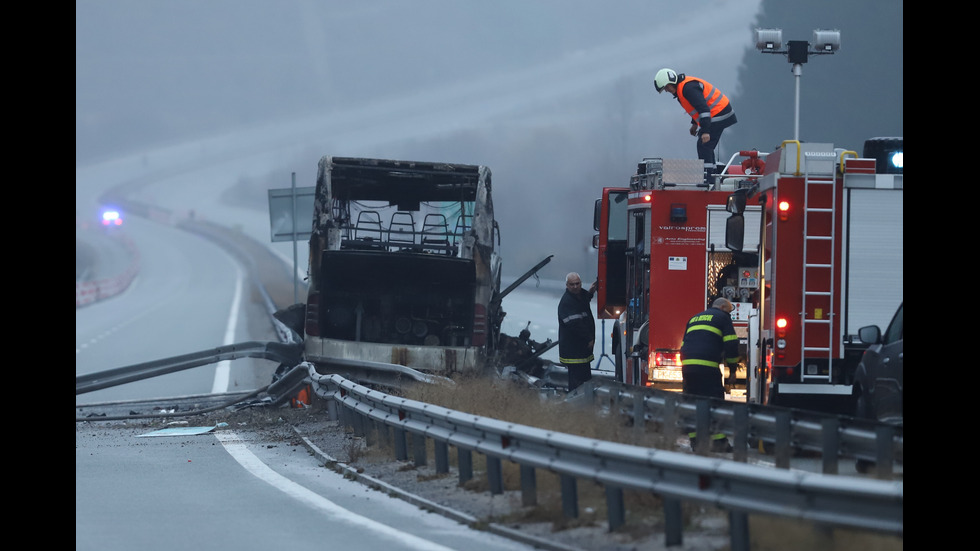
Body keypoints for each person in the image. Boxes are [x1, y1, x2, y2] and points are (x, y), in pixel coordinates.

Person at [653, 68, 737, 182]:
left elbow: (703, 109)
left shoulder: (688, 88)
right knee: (706, 146)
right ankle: (712, 176)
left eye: (667, 87)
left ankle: (709, 179)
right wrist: (694, 124)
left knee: (704, 144)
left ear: (672, 81)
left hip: (719, 113)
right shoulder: (683, 89)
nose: (667, 91)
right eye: (665, 89)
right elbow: (695, 108)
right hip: (718, 113)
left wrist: (706, 131)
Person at [680, 297, 741, 452]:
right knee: (715, 403)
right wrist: (733, 369)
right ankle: (718, 443)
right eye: (729, 311)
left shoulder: (694, 318)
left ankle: (695, 441)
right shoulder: (722, 318)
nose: (729, 315)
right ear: (721, 308)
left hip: (688, 368)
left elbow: (683, 344)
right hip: (707, 368)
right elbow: (731, 343)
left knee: (692, 403)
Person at [558, 272, 597, 392]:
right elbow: (575, 325)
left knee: (585, 380)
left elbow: (583, 301)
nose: (575, 286)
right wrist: (589, 338)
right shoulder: (567, 302)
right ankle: (575, 406)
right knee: (576, 383)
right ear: (567, 285)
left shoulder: (579, 296)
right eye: (572, 284)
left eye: (577, 283)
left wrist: (590, 292)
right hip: (574, 350)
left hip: (582, 350)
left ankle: (584, 404)